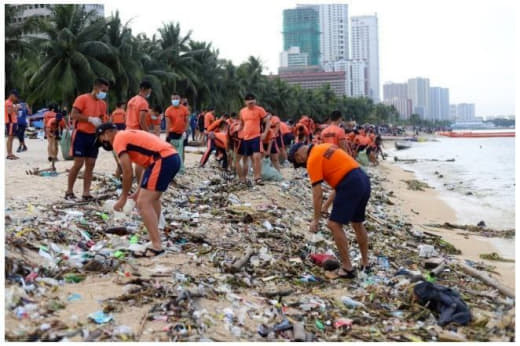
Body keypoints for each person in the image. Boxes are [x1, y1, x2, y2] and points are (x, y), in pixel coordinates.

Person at [288, 142, 371, 278]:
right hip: (362, 179)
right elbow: (339, 180)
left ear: (298, 155)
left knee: (333, 224)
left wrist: (315, 220)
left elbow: (317, 193)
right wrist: (326, 206)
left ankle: (347, 268)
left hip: (350, 183)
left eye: (298, 162)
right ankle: (365, 264)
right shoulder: (324, 147)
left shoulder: (312, 159)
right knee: (357, 223)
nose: (302, 164)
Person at [96, 123, 181, 256]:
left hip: (162, 159)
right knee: (153, 199)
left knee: (143, 203)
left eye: (102, 139)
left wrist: (123, 198)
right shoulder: (128, 135)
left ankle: (156, 245)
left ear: (106, 133)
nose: (104, 143)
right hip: (171, 157)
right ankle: (155, 234)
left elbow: (127, 172)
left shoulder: (118, 139)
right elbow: (143, 168)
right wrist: (138, 191)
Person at [65, 78, 109, 200]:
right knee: (78, 164)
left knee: (91, 164)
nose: (104, 93)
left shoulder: (102, 104)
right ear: (96, 88)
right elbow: (73, 115)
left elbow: (102, 118)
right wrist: (89, 119)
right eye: (103, 90)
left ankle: (86, 193)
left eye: (106, 91)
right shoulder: (82, 99)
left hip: (94, 137)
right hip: (81, 134)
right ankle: (69, 191)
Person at [236, 93, 271, 186]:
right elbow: (242, 123)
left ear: (255, 101)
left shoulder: (260, 110)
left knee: (257, 157)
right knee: (246, 159)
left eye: (252, 102)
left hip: (256, 137)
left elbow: (267, 122)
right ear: (245, 102)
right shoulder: (242, 111)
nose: (251, 104)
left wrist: (265, 133)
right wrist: (237, 129)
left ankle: (258, 177)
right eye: (249, 102)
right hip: (245, 137)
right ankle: (243, 178)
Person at [126, 80, 152, 184]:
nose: (149, 93)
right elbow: (141, 120)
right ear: (145, 90)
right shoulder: (143, 102)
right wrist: (148, 133)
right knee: (140, 160)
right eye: (149, 91)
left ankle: (123, 179)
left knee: (127, 159)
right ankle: (139, 184)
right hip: (137, 133)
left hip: (128, 130)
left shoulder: (132, 100)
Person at [5, 89, 20, 159]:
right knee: (10, 138)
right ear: (12, 95)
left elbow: (15, 113)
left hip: (13, 122)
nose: (16, 98)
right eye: (15, 96)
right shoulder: (8, 102)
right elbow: (9, 112)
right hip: (10, 122)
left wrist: (16, 109)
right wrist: (15, 107)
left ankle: (10, 153)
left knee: (11, 138)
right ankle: (9, 154)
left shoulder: (11, 103)